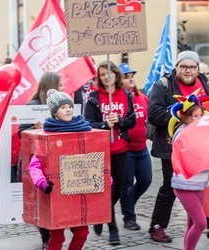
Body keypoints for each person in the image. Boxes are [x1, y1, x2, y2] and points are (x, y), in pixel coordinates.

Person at [147, 51, 209, 245]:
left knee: (204, 186)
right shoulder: (163, 85)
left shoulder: (205, 84)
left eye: (192, 67)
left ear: (198, 69)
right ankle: (157, 225)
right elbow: (154, 115)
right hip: (172, 146)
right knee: (170, 186)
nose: (188, 70)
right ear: (177, 68)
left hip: (202, 147)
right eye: (184, 66)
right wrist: (180, 115)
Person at [28, 89, 91, 250]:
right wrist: (42, 183)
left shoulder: (84, 129)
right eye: (63, 107)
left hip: (78, 194)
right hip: (56, 194)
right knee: (57, 236)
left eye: (69, 106)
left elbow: (93, 158)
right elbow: (34, 164)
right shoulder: (47, 136)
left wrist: (104, 179)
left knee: (82, 233)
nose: (68, 109)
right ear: (55, 113)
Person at [84, 61, 136, 245]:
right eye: (103, 74)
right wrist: (105, 124)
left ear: (116, 74)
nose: (107, 77)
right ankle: (112, 228)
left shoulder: (126, 94)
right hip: (101, 151)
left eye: (110, 73)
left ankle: (100, 215)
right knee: (107, 190)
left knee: (118, 190)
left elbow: (132, 121)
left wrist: (120, 120)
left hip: (121, 149)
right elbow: (88, 124)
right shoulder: (93, 97)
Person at [18, 71, 65, 249]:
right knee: (40, 200)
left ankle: (52, 232)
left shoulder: (60, 104)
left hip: (52, 159)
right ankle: (46, 235)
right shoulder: (33, 105)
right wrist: (34, 128)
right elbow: (21, 133)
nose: (64, 88)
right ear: (52, 86)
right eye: (60, 85)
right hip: (36, 162)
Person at [168, 91, 209, 250]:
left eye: (201, 115)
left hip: (199, 183)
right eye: (195, 116)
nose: (199, 119)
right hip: (184, 185)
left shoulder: (202, 132)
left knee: (192, 223)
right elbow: (193, 156)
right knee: (201, 223)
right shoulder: (182, 135)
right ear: (185, 118)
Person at [118, 63, 152, 231]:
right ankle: (129, 217)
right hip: (127, 149)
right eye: (126, 76)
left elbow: (148, 118)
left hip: (142, 148)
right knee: (127, 185)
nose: (130, 78)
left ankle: (129, 203)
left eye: (132, 75)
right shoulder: (119, 99)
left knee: (146, 180)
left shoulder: (142, 96)